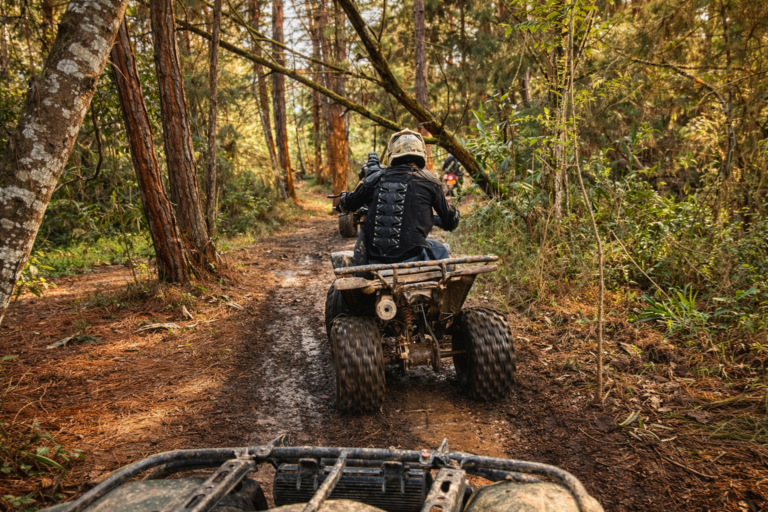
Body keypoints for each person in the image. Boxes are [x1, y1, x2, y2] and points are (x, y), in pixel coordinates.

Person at [338, 129, 460, 265]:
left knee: (356, 265)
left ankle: (360, 276)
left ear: (392, 151)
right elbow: (450, 221)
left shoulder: (375, 178)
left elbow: (348, 203)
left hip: (374, 260)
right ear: (421, 151)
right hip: (412, 257)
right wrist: (449, 216)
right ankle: (443, 280)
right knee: (441, 249)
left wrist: (345, 197)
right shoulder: (430, 181)